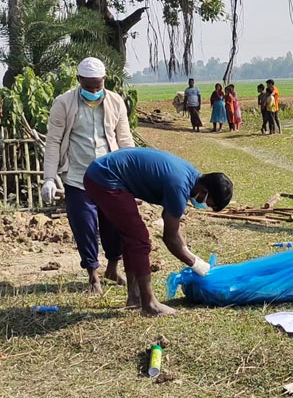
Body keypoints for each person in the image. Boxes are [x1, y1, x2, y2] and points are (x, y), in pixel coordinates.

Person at [83, 147, 234, 316]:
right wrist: (198, 265)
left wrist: (191, 255)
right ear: (204, 191)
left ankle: (134, 297)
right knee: (139, 239)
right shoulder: (179, 187)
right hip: (105, 178)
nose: (204, 206)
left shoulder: (191, 176)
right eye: (209, 204)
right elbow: (170, 238)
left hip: (102, 172)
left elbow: (175, 231)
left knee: (132, 236)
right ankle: (149, 304)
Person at [41, 57, 133, 295]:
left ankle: (113, 268)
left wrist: (132, 174)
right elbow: (53, 142)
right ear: (79, 80)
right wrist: (49, 177)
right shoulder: (63, 103)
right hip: (77, 177)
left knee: (114, 224)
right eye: (89, 85)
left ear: (104, 80)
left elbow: (124, 139)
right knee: (84, 225)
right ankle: (93, 274)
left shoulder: (115, 102)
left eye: (98, 85)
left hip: (110, 176)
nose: (94, 90)